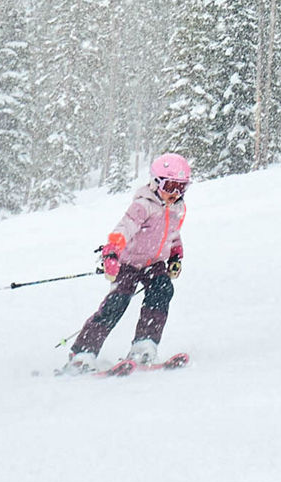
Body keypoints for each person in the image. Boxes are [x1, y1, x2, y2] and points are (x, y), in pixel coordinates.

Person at [63, 153, 191, 374]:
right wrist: (112, 252)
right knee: (117, 302)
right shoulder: (143, 205)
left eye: (181, 187)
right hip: (129, 263)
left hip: (155, 263)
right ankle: (83, 353)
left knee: (162, 291)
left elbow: (173, 234)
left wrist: (176, 255)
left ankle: (144, 345)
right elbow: (124, 228)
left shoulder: (177, 208)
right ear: (156, 182)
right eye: (171, 186)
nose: (175, 193)